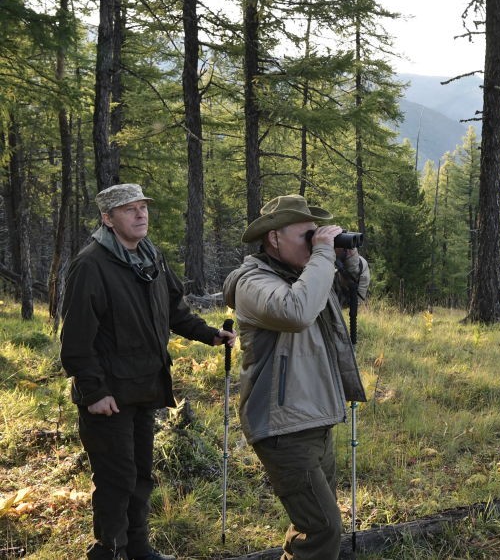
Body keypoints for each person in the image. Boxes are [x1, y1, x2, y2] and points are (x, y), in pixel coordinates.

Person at [59, 183, 236, 560]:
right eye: (129, 209)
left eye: (143, 207)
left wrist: (209, 334)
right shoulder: (91, 264)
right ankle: (110, 550)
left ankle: (138, 548)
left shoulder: (151, 256)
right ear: (108, 218)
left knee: (141, 475)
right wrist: (94, 392)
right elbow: (75, 341)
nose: (141, 215)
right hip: (109, 396)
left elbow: (174, 310)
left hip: (145, 387)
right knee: (116, 479)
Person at [223, 194, 369, 560]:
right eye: (307, 236)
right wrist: (321, 255)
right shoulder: (252, 282)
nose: (315, 242)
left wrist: (348, 261)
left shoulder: (305, 276)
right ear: (273, 238)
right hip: (282, 426)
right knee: (323, 527)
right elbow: (296, 311)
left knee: (310, 523)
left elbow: (355, 295)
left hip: (316, 416)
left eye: (317, 235)